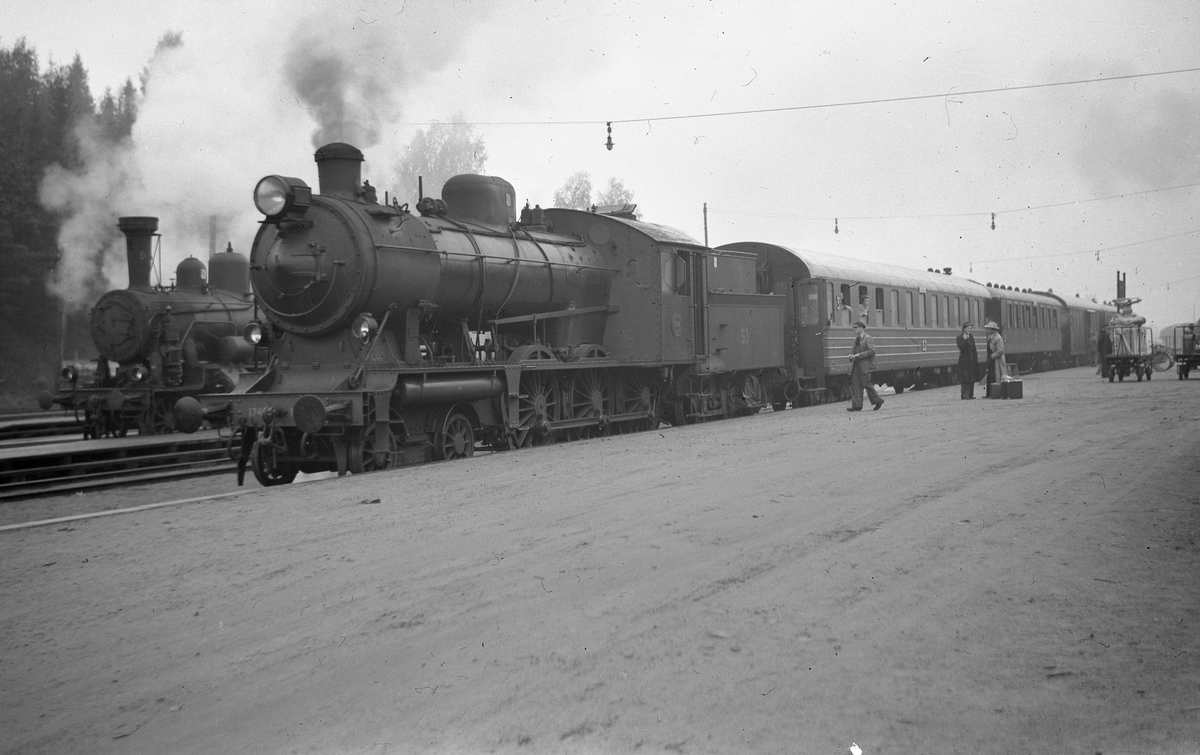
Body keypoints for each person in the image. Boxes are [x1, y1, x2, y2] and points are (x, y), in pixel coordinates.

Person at [846, 320, 884, 411]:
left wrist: (859, 355)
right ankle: (857, 405)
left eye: (855, 328)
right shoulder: (856, 340)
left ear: (861, 328)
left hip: (865, 366)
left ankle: (878, 400)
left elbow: (871, 351)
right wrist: (851, 356)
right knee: (855, 385)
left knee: (867, 384)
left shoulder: (868, 338)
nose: (854, 329)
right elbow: (853, 351)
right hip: (857, 366)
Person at [956, 322, 978, 399]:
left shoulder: (971, 337)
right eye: (968, 328)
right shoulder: (959, 337)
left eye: (970, 328)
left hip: (971, 359)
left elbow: (974, 349)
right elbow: (961, 347)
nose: (969, 330)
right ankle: (965, 395)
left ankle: (971, 394)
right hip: (964, 360)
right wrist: (965, 340)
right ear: (964, 329)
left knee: (971, 377)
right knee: (965, 378)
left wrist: (975, 360)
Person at [984, 321, 1008, 391]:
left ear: (993, 329)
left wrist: (993, 356)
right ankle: (990, 393)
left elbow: (1001, 350)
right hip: (991, 360)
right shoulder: (990, 337)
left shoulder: (998, 338)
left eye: (989, 329)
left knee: (996, 377)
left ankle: (996, 392)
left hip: (997, 361)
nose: (987, 330)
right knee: (990, 377)